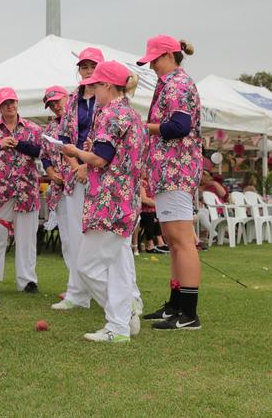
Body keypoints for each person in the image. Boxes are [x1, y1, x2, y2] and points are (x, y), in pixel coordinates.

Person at [61, 61, 145, 343]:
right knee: (118, 263)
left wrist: (73, 151)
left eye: (96, 84)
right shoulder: (131, 114)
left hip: (109, 200)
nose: (92, 88)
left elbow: (100, 158)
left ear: (108, 86)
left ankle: (121, 316)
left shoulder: (110, 114)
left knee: (87, 266)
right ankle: (120, 323)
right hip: (126, 199)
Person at [138, 35, 203, 331]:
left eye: (153, 59)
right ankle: (176, 305)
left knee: (182, 242)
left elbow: (179, 126)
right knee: (175, 243)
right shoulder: (169, 83)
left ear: (167, 55)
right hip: (168, 171)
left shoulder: (177, 84)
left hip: (177, 170)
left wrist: (145, 127)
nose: (151, 65)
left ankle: (188, 313)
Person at [51, 47, 104, 310]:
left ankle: (111, 292)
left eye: (93, 65)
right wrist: (75, 166)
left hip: (101, 173)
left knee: (101, 235)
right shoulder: (72, 99)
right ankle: (77, 293)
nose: (88, 70)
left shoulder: (108, 98)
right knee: (74, 235)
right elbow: (63, 139)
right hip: (75, 174)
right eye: (84, 66)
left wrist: (88, 166)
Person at [0, 87, 42, 294]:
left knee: (27, 238)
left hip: (27, 190)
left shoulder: (33, 128)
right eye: (5, 103)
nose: (10, 106)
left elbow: (41, 152)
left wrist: (18, 144)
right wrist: (0, 144)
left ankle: (27, 281)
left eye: (12, 102)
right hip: (0, 191)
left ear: (17, 103)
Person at [41, 85, 68, 224]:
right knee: (66, 234)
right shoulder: (50, 127)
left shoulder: (78, 121)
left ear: (67, 97)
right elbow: (44, 155)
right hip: (59, 186)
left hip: (80, 182)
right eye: (51, 104)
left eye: (57, 101)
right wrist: (51, 173)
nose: (55, 106)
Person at [140, 174, 168, 253]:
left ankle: (161, 242)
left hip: (154, 209)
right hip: (142, 210)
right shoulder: (141, 183)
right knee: (150, 215)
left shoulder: (153, 183)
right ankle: (150, 245)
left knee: (160, 214)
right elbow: (144, 199)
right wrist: (160, 205)